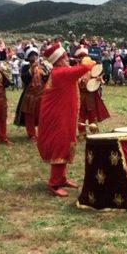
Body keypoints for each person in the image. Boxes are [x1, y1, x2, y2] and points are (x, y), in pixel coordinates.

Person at [37, 42, 95, 197]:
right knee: (60, 145)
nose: (68, 59)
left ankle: (61, 178)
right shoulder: (60, 73)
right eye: (65, 57)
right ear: (59, 60)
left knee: (66, 144)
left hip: (63, 114)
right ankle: (54, 183)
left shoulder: (60, 71)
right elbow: (82, 69)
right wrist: (87, 62)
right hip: (58, 116)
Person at [14, 45, 49, 141]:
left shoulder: (42, 66)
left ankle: (42, 133)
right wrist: (31, 69)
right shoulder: (25, 67)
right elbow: (24, 79)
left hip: (41, 95)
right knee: (29, 116)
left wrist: (46, 73)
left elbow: (46, 79)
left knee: (42, 115)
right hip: (29, 96)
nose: (34, 57)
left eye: (35, 55)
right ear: (28, 57)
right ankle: (31, 134)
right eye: (31, 55)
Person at [75, 46, 110, 137]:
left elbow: (96, 78)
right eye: (81, 57)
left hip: (90, 95)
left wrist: (98, 79)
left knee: (92, 114)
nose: (83, 58)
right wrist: (79, 81)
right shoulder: (76, 69)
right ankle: (82, 133)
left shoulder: (92, 68)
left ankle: (94, 133)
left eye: (84, 56)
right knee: (80, 114)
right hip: (80, 95)